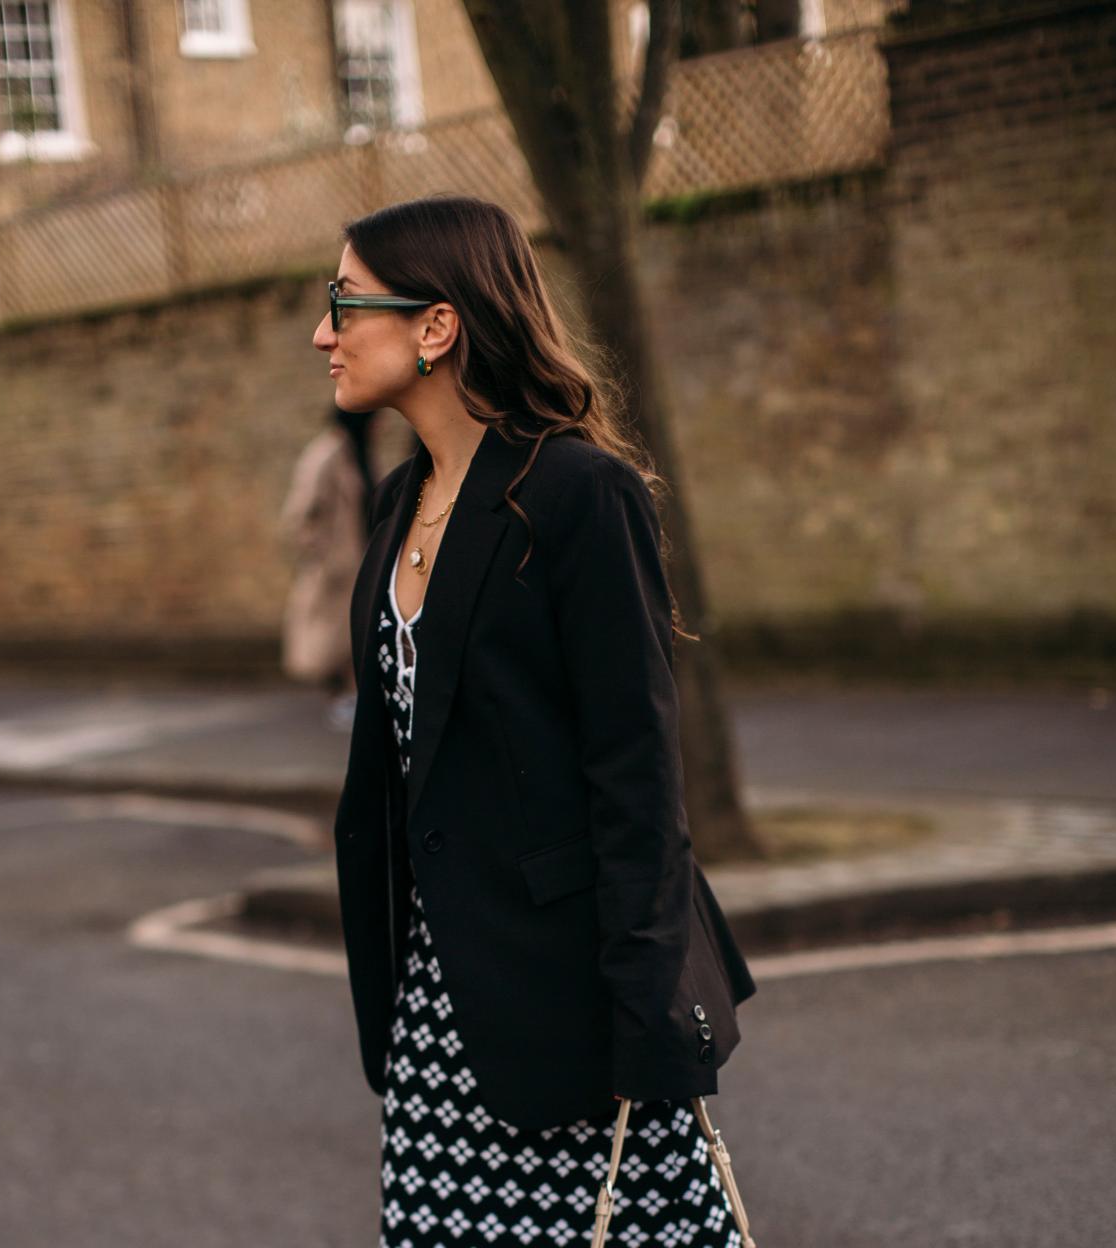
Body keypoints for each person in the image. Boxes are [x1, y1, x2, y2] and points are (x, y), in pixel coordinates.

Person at [312, 194, 758, 1247]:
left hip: (578, 1006)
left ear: (436, 326)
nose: (323, 332)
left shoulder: (578, 494)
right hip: (439, 1004)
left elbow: (638, 778)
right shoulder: (398, 505)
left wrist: (647, 1024)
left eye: (344, 302)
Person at [278, 404, 372, 727]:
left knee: (351, 632)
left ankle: (351, 696)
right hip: (337, 566)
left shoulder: (355, 450)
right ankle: (346, 697)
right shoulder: (327, 453)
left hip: (357, 560)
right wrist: (319, 552)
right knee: (338, 635)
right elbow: (300, 512)